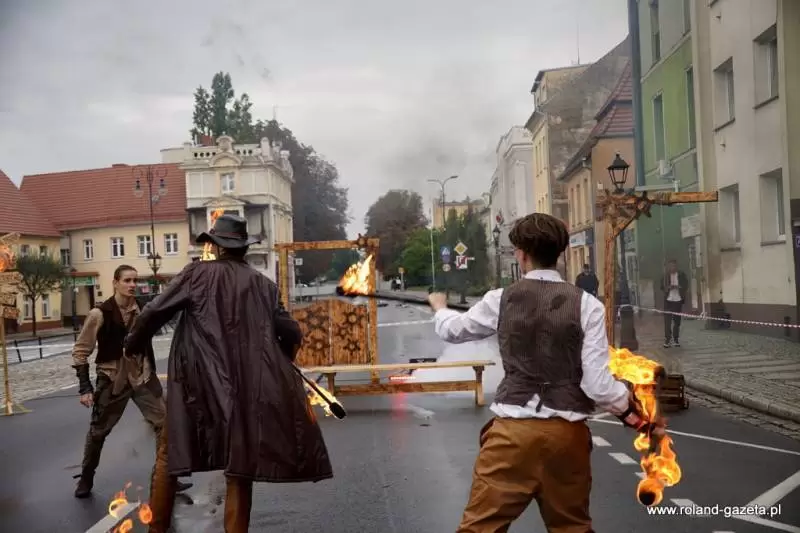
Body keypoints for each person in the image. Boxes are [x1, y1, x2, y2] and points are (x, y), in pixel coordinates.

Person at [427, 213, 664, 533]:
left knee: (479, 529)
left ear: (522, 254)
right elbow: (597, 385)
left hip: (512, 435)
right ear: (560, 253)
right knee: (572, 528)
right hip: (567, 437)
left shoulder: (500, 299)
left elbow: (453, 331)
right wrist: (638, 419)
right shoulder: (588, 305)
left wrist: (440, 308)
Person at [124, 214, 333, 533]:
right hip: (248, 388)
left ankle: (157, 530)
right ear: (244, 248)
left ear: (217, 246)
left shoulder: (195, 274)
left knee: (169, 455)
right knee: (240, 467)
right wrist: (279, 360)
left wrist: (132, 345)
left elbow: (152, 313)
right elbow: (291, 332)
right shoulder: (263, 285)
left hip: (197, 386)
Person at [71, 265, 191, 498]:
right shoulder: (100, 314)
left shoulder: (144, 309)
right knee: (98, 432)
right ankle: (86, 477)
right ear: (115, 283)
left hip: (142, 378)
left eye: (135, 280)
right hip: (113, 380)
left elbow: (168, 314)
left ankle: (166, 478)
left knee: (165, 424)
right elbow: (80, 351)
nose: (132, 285)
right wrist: (85, 387)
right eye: (127, 280)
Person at [660, 259, 688, 348]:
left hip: (678, 300)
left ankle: (676, 339)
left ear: (676, 266)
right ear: (668, 267)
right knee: (667, 322)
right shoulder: (665, 276)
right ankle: (667, 340)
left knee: (677, 321)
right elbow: (661, 287)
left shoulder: (681, 275)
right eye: (671, 266)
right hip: (668, 301)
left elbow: (686, 285)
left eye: (674, 266)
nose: (672, 268)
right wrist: (668, 287)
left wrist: (679, 287)